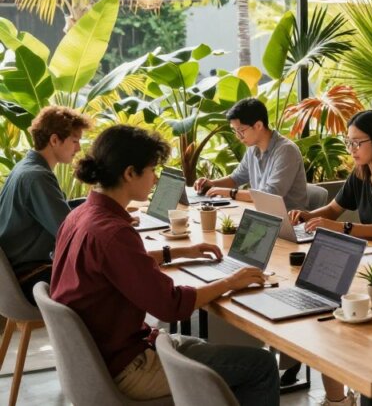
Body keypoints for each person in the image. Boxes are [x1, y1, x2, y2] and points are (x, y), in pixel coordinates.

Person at [49, 125, 279, 404]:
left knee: (201, 347)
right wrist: (230, 282)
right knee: (261, 366)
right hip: (128, 368)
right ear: (130, 173)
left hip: (97, 360)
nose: (156, 178)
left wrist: (180, 252)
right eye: (151, 170)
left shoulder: (81, 215)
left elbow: (118, 265)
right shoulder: (114, 233)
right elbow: (170, 306)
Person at [289, 109, 372, 405]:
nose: (351, 150)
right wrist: (307, 216)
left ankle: (361, 392)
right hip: (371, 262)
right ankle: (339, 399)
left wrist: (342, 228)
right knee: (325, 308)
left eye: (356, 143)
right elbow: (333, 210)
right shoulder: (361, 172)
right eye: (348, 142)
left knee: (340, 310)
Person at [0, 107, 90, 304]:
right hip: (27, 275)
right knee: (101, 276)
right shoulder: (37, 177)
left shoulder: (27, 167)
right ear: (55, 140)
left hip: (12, 276)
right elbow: (68, 233)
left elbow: (55, 210)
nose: (78, 149)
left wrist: (90, 207)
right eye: (75, 141)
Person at [194, 98, 307, 210]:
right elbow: (236, 179)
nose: (238, 136)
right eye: (235, 131)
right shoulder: (253, 148)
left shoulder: (286, 151)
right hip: (261, 214)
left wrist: (231, 193)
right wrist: (211, 184)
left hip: (289, 221)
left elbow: (270, 195)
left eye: (241, 131)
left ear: (258, 125)